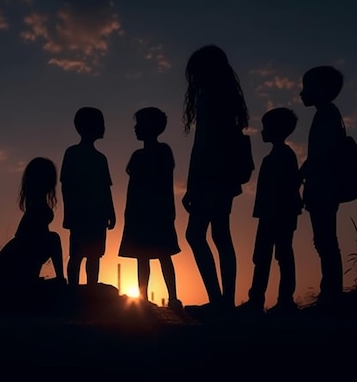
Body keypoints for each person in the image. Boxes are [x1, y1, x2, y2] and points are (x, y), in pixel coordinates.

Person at [181, 45, 250, 315]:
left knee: (195, 234)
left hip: (209, 175)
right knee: (221, 235)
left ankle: (218, 301)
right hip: (225, 176)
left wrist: (191, 185)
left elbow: (202, 146)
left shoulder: (207, 96)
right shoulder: (228, 98)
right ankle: (226, 302)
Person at [238, 107, 303, 316]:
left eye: (266, 127)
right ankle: (257, 300)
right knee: (263, 257)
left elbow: (289, 185)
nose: (262, 131)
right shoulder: (275, 157)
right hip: (269, 215)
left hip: (279, 214)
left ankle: (284, 301)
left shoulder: (284, 156)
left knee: (281, 254)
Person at [118, 107, 183, 310]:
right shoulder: (140, 155)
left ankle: (172, 297)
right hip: (142, 212)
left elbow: (164, 183)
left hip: (155, 212)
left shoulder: (162, 152)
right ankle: (144, 298)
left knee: (162, 255)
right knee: (144, 257)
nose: (136, 129)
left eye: (139, 125)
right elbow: (133, 188)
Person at [299, 66, 346, 308]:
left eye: (307, 87)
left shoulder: (326, 114)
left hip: (324, 187)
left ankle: (331, 294)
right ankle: (330, 292)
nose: (302, 93)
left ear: (322, 89)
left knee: (325, 240)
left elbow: (322, 153)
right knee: (324, 240)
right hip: (324, 186)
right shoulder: (328, 114)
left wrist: (304, 171)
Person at [0, 157, 65, 295]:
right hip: (12, 271)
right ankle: (59, 279)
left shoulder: (36, 206)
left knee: (51, 239)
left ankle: (44, 280)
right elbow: (28, 245)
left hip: (14, 266)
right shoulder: (37, 209)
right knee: (54, 239)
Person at [60, 107, 116, 286]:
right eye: (101, 123)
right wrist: (69, 212)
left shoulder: (100, 158)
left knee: (93, 255)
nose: (104, 127)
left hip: (95, 215)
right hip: (83, 214)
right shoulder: (74, 154)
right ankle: (74, 289)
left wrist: (110, 212)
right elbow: (66, 186)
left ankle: (90, 288)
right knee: (78, 254)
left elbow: (106, 188)